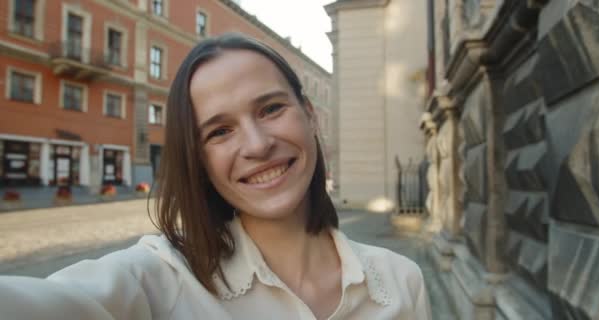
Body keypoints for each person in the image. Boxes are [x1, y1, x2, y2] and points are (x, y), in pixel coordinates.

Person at [0, 33, 431, 320]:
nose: (258, 144)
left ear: (310, 116)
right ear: (198, 158)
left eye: (271, 109)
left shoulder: (401, 280)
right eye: (220, 131)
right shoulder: (162, 279)